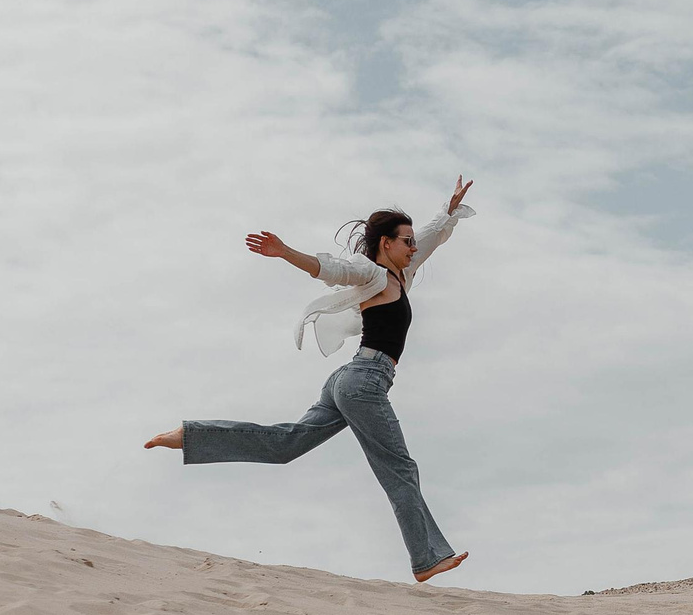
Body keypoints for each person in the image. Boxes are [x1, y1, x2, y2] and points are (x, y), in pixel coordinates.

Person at [144, 179, 476, 582]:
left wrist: (449, 210)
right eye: (405, 241)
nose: (412, 248)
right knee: (399, 467)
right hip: (364, 382)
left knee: (287, 444)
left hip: (349, 381)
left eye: (411, 243)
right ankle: (426, 559)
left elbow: (431, 236)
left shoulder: (400, 275)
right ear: (385, 243)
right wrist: (285, 252)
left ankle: (191, 435)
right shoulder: (370, 272)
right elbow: (332, 269)